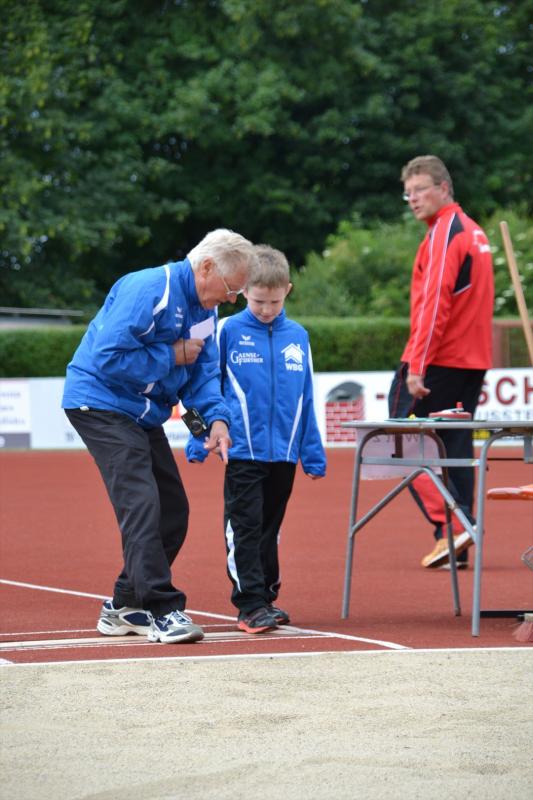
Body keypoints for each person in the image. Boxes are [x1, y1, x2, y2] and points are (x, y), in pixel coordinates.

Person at [62, 229, 258, 643]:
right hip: (99, 403)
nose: (232, 300)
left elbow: (202, 373)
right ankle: (162, 610)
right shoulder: (149, 288)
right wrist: (170, 354)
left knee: (172, 510)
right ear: (207, 267)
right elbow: (107, 357)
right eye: (232, 289)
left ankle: (124, 605)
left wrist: (216, 420)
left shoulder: (206, 312)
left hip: (142, 412)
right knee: (141, 503)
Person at [186, 245, 327, 633]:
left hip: (284, 454)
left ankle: (265, 596)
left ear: (288, 291)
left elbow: (306, 396)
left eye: (275, 302)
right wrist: (198, 438)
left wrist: (312, 453)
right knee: (244, 526)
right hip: (241, 451)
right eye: (259, 301)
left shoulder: (298, 336)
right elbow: (202, 384)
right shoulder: (227, 330)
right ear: (244, 290)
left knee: (269, 527)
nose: (267, 309)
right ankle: (249, 603)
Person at [389, 155, 494, 569]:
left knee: (396, 439)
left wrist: (417, 363)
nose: (413, 199)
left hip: (440, 360)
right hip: (472, 360)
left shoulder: (445, 232)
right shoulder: (474, 231)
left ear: (444, 188)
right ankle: (459, 535)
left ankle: (451, 525)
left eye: (420, 190)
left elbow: (435, 304)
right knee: (455, 445)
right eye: (408, 193)